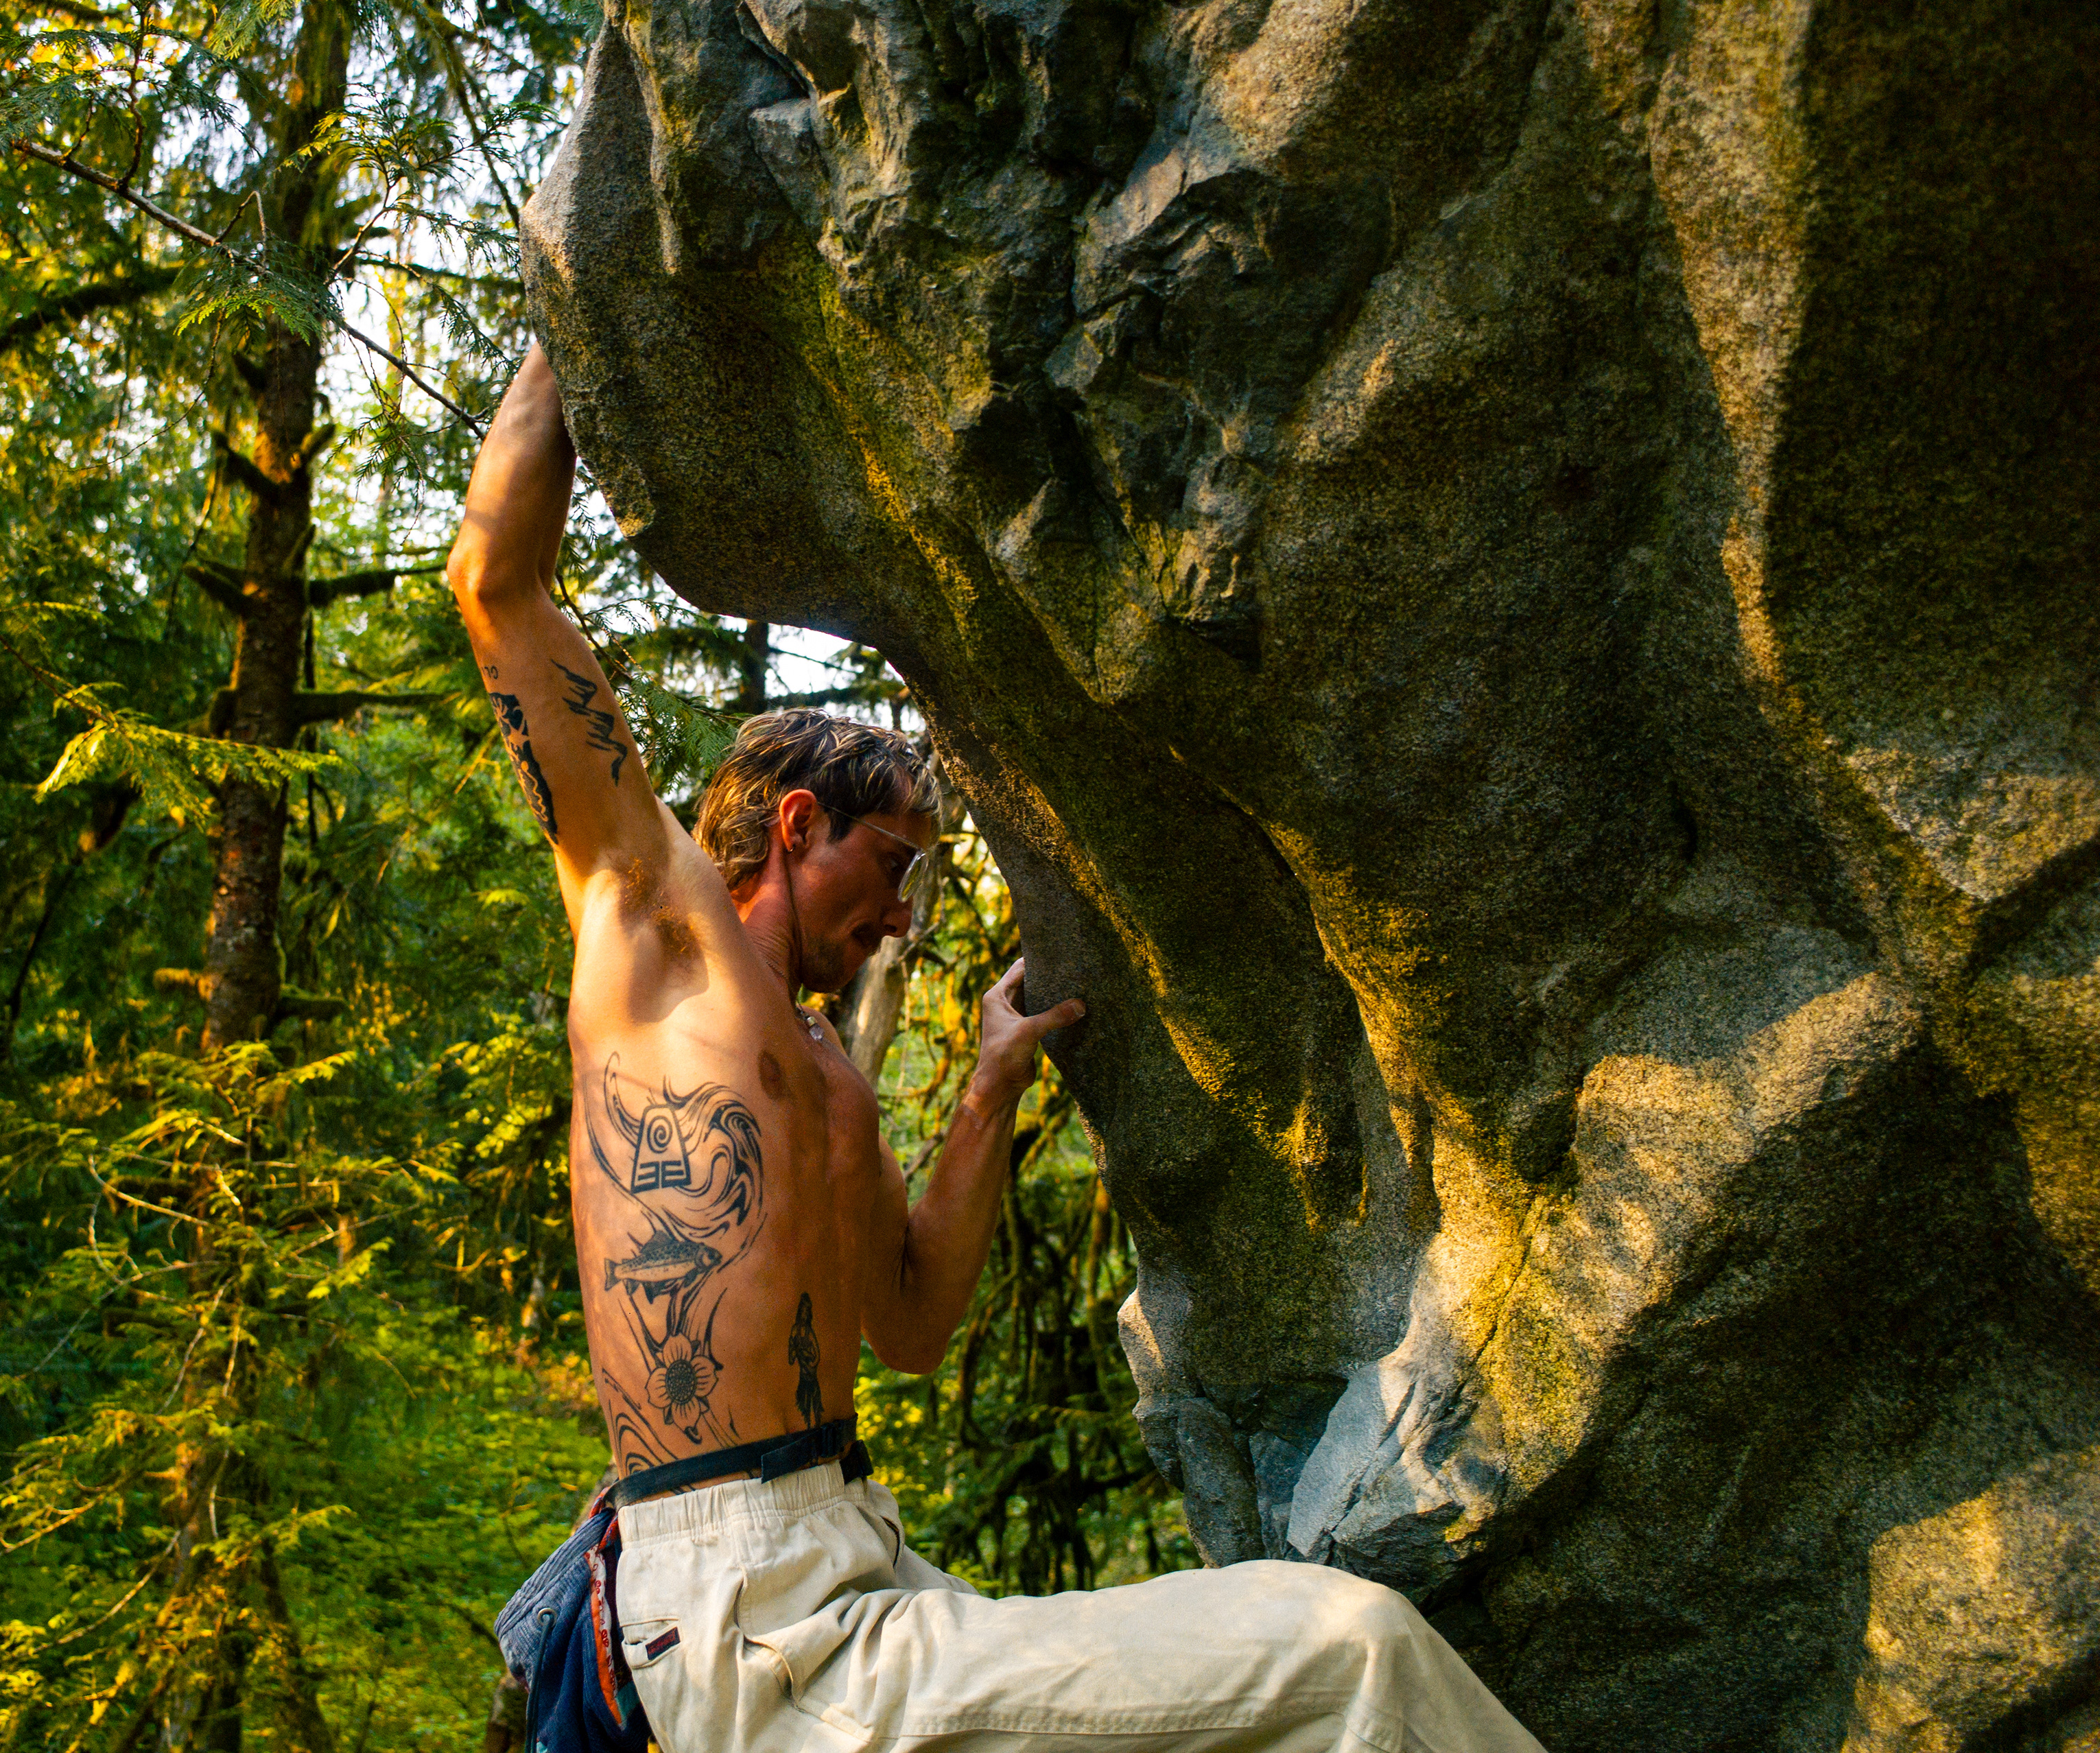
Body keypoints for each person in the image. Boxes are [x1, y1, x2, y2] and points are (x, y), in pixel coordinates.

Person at [449, 344, 1545, 1753]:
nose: (906, 912)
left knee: (1328, 1655)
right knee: (1351, 1655)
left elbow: (905, 1324)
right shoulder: (660, 955)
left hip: (847, 1571)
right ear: (796, 829)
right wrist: (570, 308)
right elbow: (496, 581)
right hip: (751, 1618)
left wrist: (989, 1083)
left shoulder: (825, 1072)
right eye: (893, 863)